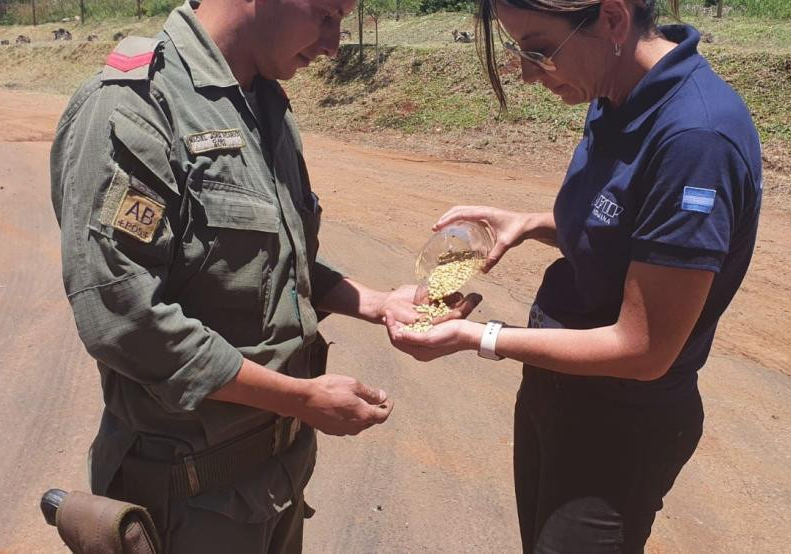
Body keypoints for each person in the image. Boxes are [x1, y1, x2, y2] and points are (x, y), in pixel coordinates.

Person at [48, 0, 477, 551]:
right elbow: (122, 317)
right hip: (189, 500)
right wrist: (298, 397)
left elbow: (263, 259)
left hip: (274, 482)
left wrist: (376, 302)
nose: (333, 44)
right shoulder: (135, 107)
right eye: (326, 15)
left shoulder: (262, 100)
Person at [385, 0, 763, 551]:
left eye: (539, 50)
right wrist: (532, 223)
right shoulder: (614, 94)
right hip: (557, 392)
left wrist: (478, 336)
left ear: (612, 19)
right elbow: (622, 233)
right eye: (517, 50)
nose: (525, 71)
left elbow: (644, 349)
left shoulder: (696, 139)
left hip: (618, 425)